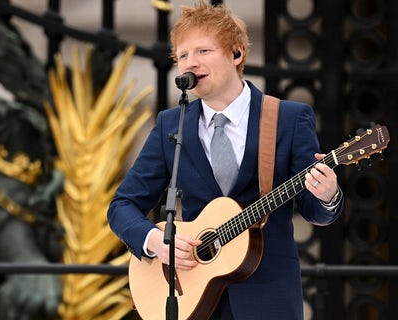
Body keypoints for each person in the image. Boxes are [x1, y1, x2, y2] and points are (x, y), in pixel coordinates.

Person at [107, 1, 344, 319]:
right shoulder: (171, 124)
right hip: (192, 299)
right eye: (182, 55)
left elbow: (315, 212)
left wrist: (327, 195)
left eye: (203, 51)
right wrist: (154, 241)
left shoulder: (287, 118)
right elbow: (122, 206)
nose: (190, 63)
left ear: (236, 54)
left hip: (267, 299)